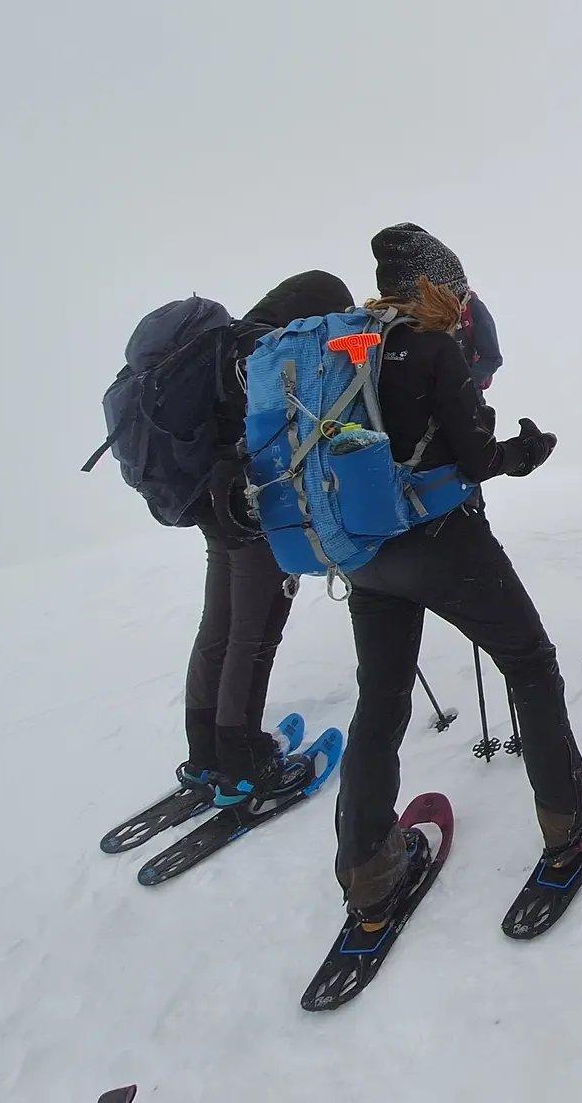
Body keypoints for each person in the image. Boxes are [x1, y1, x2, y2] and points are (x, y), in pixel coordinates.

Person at [332, 224, 582, 922]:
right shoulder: (432, 350)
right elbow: (478, 458)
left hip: (365, 556)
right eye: (454, 288)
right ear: (437, 287)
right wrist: (526, 450)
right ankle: (568, 823)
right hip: (441, 543)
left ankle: (368, 869)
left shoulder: (349, 347)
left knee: (381, 698)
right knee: (531, 663)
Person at [180, 270, 357, 803]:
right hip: (254, 511)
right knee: (253, 637)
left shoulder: (221, 346)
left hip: (214, 507)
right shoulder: (267, 352)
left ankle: (204, 752)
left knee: (220, 626)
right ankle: (244, 762)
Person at [369, 222, 502, 390]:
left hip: (463, 396)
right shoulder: (382, 327)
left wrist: (461, 386)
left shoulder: (472, 307)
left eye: (460, 295)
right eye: (452, 295)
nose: (460, 305)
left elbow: (492, 357)